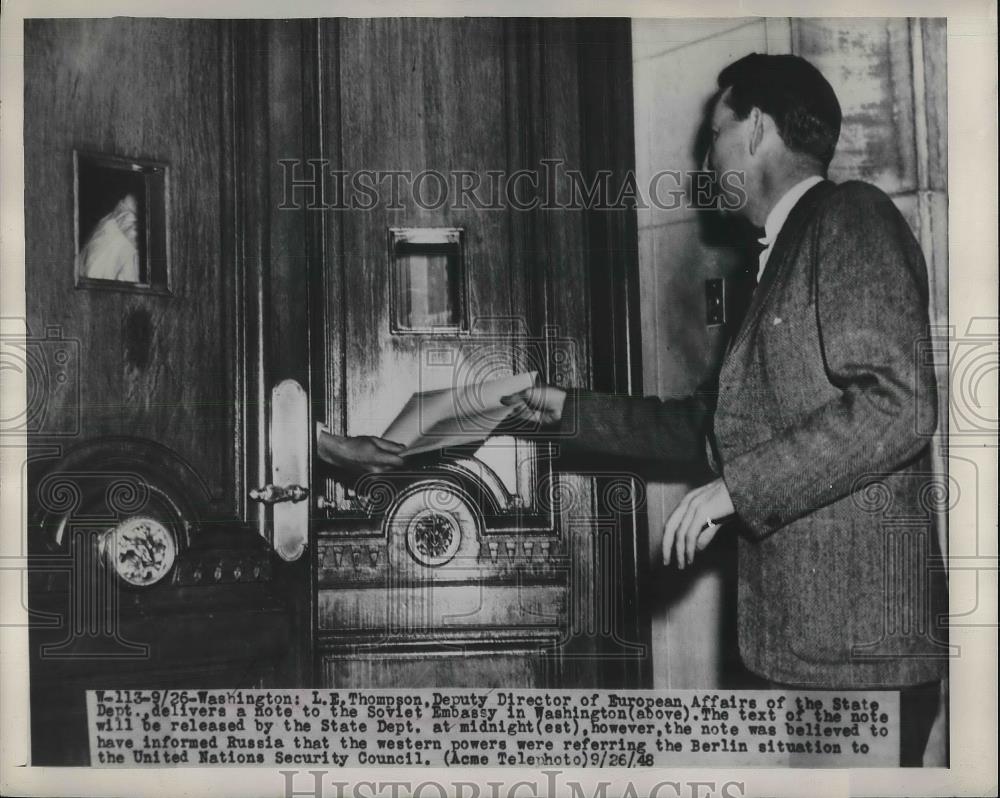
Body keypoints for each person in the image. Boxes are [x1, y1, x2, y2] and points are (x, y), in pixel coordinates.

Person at [501, 53, 946, 764]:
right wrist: (569, 410)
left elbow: (899, 402)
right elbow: (710, 430)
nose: (706, 160)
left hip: (861, 659)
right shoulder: (775, 257)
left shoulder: (851, 215)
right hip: (806, 654)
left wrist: (733, 492)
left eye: (715, 135)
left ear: (757, 130)